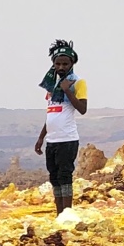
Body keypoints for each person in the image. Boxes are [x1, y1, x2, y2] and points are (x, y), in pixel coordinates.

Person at [34, 39, 88, 218]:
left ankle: (67, 214)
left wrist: (67, 91)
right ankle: (59, 215)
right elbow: (51, 114)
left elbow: (82, 109)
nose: (61, 67)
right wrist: (41, 137)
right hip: (52, 140)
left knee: (65, 177)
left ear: (72, 63)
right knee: (54, 177)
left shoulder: (77, 83)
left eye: (65, 63)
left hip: (67, 139)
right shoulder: (51, 86)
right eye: (58, 63)